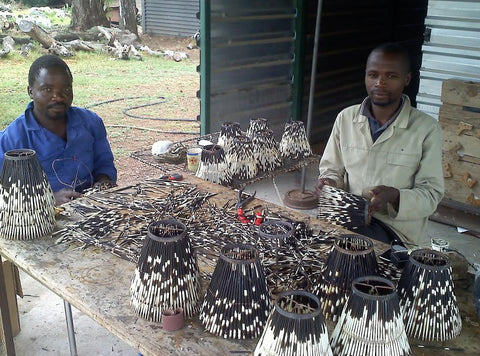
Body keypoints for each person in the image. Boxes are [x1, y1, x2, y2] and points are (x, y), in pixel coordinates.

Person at [315, 43, 444, 248]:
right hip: (348, 220)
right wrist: (329, 182)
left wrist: (395, 196)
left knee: (369, 271)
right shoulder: (346, 118)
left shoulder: (426, 130)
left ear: (406, 79)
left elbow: (431, 194)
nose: (380, 83)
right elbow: (331, 168)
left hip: (396, 232)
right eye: (373, 75)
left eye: (391, 76)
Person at [0, 54, 117, 205]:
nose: (58, 97)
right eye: (47, 89)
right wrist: (47, 200)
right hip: (40, 220)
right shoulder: (11, 139)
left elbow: (104, 163)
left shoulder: (91, 123)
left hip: (92, 209)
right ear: (30, 91)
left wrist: (103, 182)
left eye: (66, 89)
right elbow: (5, 194)